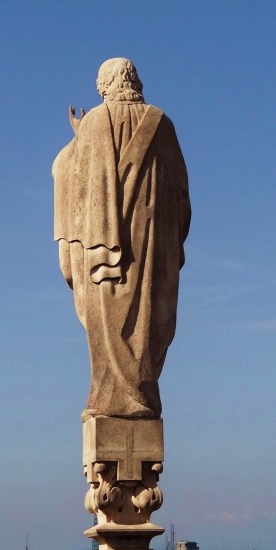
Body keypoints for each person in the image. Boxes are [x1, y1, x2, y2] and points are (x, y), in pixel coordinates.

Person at [54, 58, 190, 421]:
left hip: (105, 248)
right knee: (149, 323)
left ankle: (109, 399)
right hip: (153, 250)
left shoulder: (96, 122)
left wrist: (79, 139)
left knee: (106, 322)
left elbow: (76, 182)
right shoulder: (163, 124)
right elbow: (181, 196)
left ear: (104, 85)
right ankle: (142, 395)